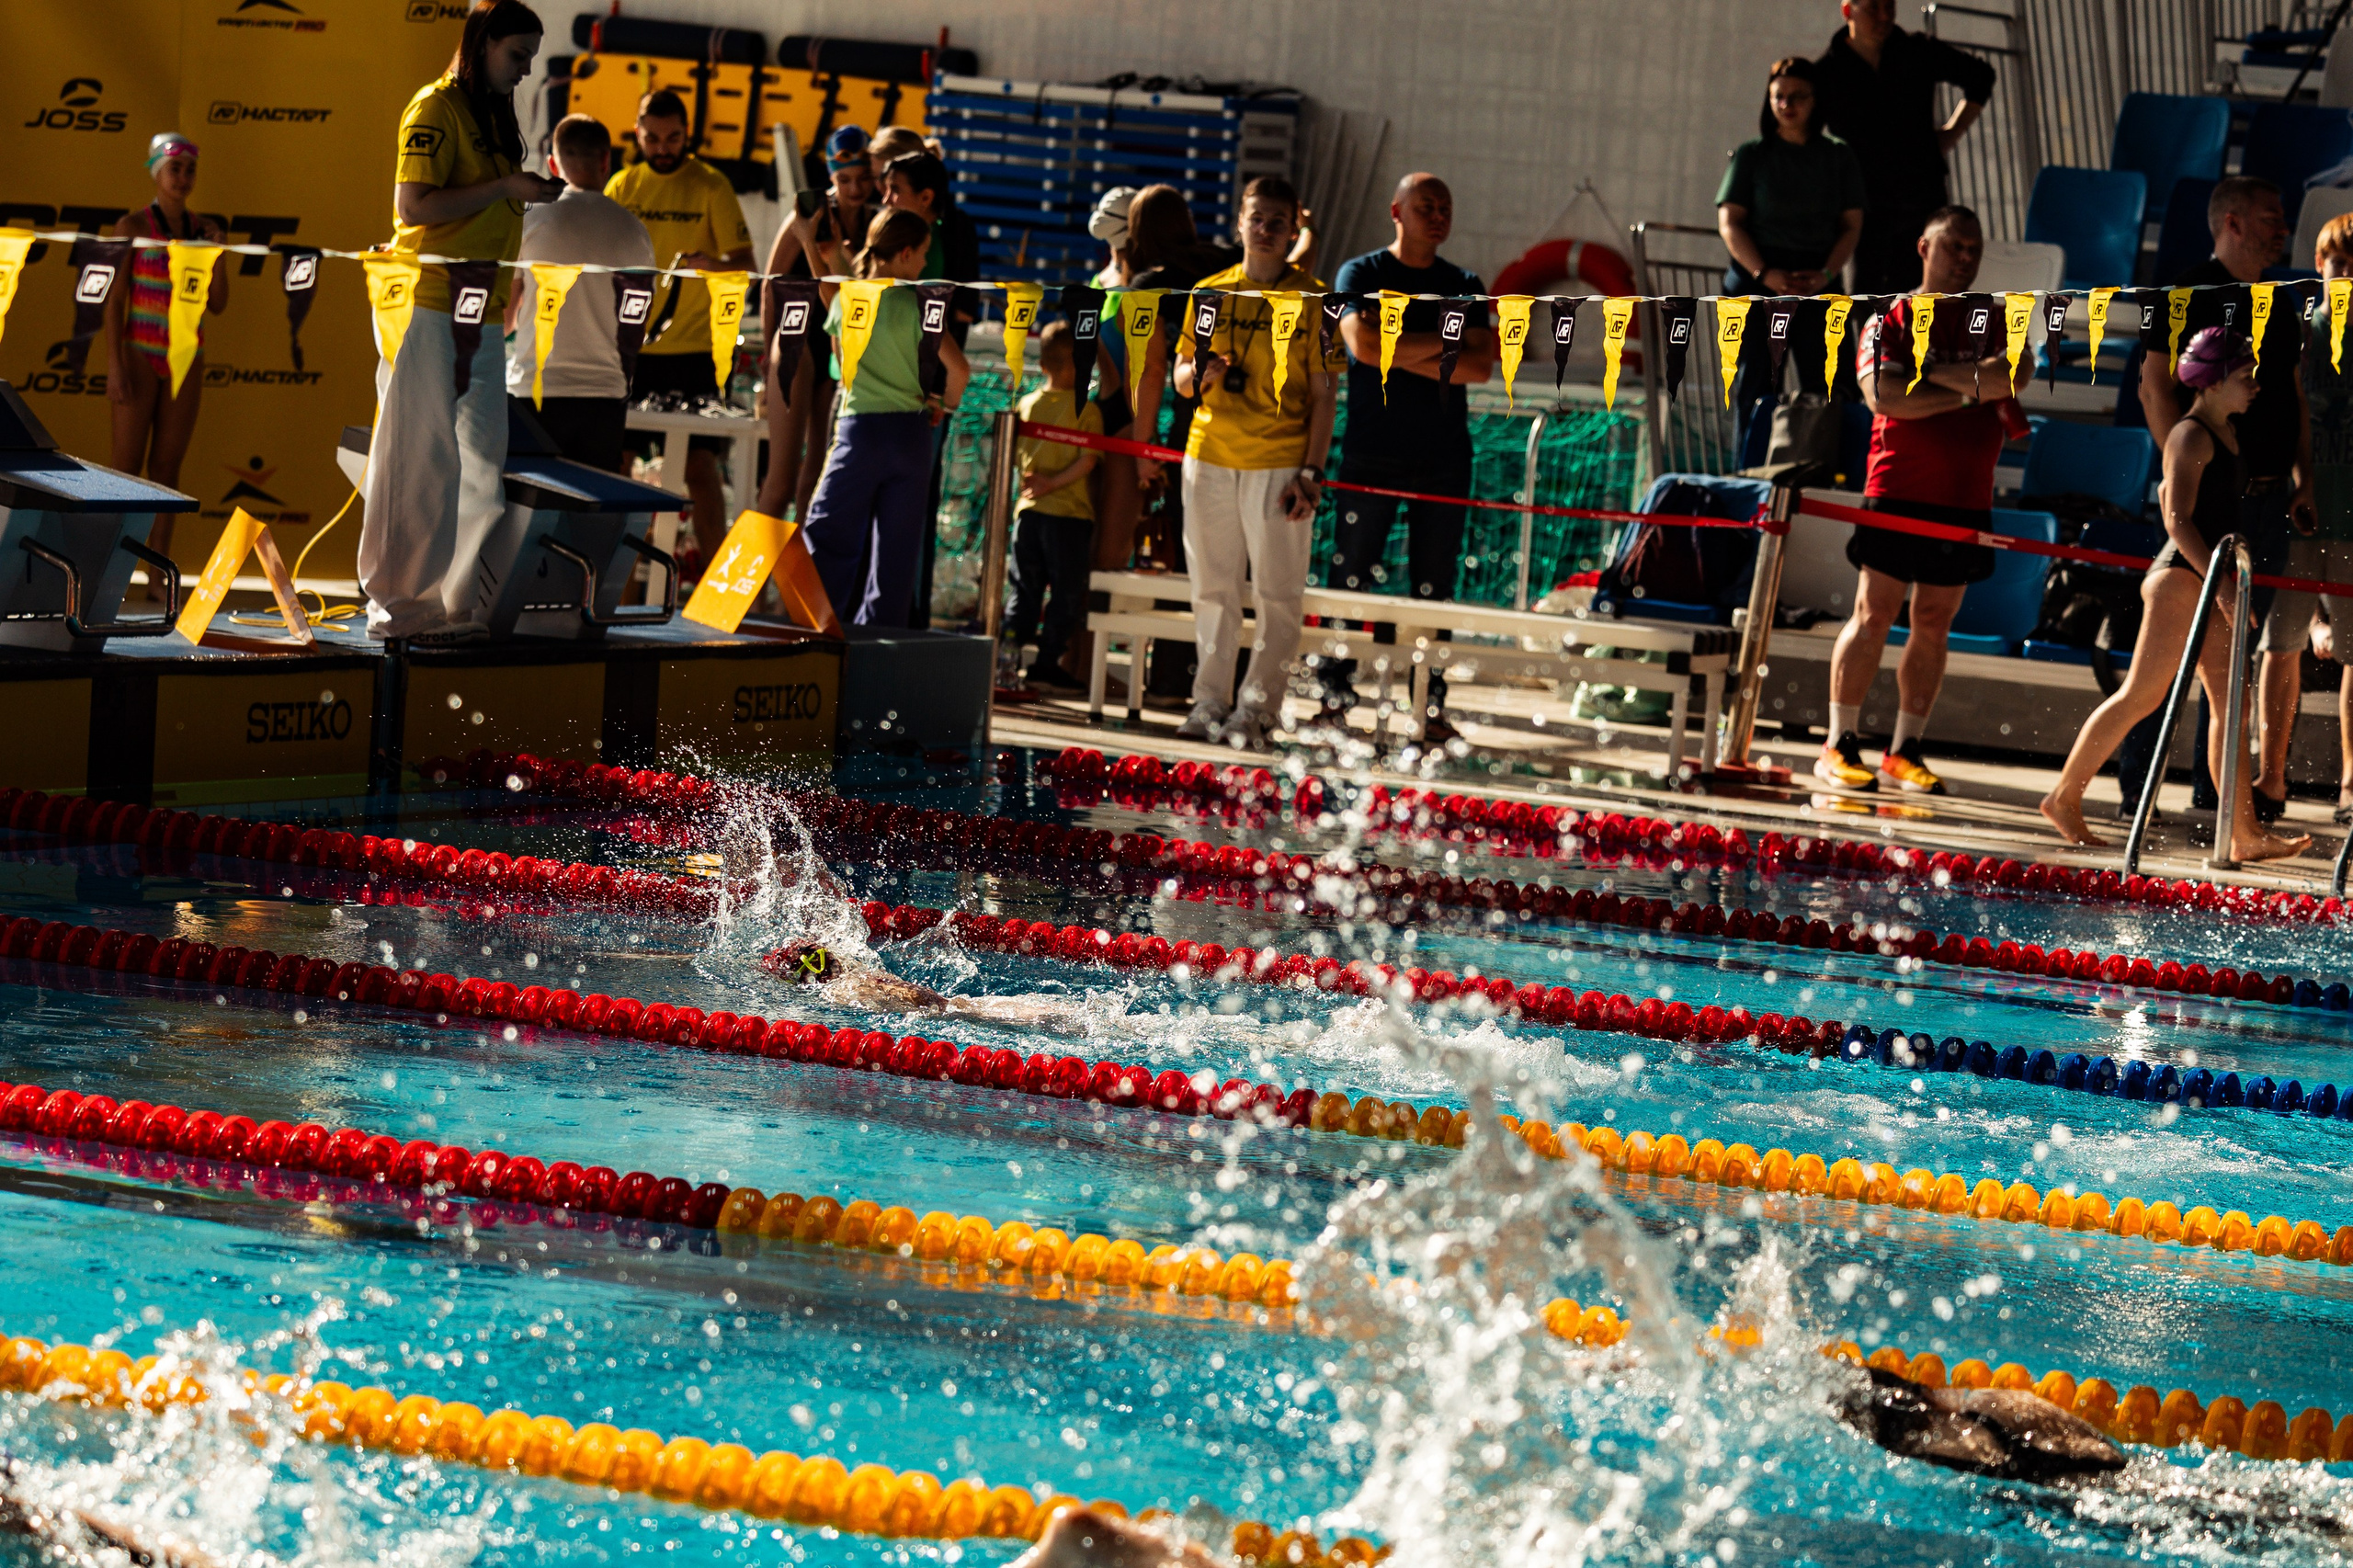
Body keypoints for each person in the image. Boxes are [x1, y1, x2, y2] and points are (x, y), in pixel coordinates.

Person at [2039, 329, 2310, 862]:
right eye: (2243, 375)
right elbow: (2177, 518)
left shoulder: (2223, 432)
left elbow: (2207, 513)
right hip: (2182, 581)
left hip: (2206, 579)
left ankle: (2243, 831)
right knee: (2143, 694)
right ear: (2209, 380)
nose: (2254, 384)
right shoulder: (2191, 436)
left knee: (2231, 705)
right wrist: (2224, 584)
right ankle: (2064, 796)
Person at [364, 0, 563, 641]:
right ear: (482, 44)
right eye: (517, 56)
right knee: (420, 459)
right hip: (426, 299)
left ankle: (453, 603)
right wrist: (507, 189)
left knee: (482, 460)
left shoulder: (494, 119)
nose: (525, 71)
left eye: (532, 59)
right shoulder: (434, 107)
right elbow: (415, 206)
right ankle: (399, 605)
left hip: (481, 306)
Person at [1816, 205, 2029, 795]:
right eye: (1953, 246)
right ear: (1923, 247)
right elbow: (1885, 398)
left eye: (1973, 249)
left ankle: (1905, 747)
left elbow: (2014, 376)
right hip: (1898, 487)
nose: (1964, 258)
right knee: (1874, 611)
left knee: (1934, 622)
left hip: (1965, 495)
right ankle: (1839, 741)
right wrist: (1971, 391)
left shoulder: (1995, 316)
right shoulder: (1890, 317)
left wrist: (1928, 375)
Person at [1170, 176, 1346, 751]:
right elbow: (1179, 380)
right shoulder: (1210, 293)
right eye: (1257, 219)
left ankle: (1257, 710)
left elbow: (1325, 395)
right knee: (1213, 590)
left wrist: (1311, 474)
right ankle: (1209, 701)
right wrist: (1201, 375)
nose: (1266, 230)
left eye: (1278, 222)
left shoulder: (1314, 299)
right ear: (1239, 224)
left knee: (1276, 594)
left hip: (1278, 463)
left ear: (1295, 230)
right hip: (1209, 457)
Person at [1322, 173, 1495, 744]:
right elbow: (1361, 348)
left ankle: (1428, 707)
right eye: (1426, 206)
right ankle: (1334, 697)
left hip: (1443, 457)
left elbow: (1478, 367)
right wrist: (1438, 350)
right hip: (1372, 453)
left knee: (1434, 590)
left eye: (1445, 207)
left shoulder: (1464, 283)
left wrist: (1391, 352)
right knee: (1349, 579)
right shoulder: (1361, 275)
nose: (1438, 215)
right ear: (1397, 211)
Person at [799, 210, 970, 625]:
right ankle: (879, 652)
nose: (927, 265)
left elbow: (841, 349)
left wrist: (812, 246)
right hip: (910, 437)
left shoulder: (849, 299)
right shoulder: (920, 305)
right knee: (895, 557)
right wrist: (943, 404)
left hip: (859, 433)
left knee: (829, 539)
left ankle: (815, 635)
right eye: (924, 255)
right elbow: (961, 372)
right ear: (906, 253)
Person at [605, 87, 754, 566]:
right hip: (630, 352)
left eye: (673, 138)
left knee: (701, 469)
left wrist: (712, 265)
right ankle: (609, 580)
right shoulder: (622, 186)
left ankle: (716, 590)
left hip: (696, 354)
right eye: (653, 138)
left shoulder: (712, 185)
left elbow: (746, 263)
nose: (664, 149)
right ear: (637, 134)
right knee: (617, 467)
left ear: (688, 135)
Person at [1716, 56, 1867, 464]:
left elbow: (1851, 225)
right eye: (1779, 97)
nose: (1787, 105)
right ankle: (1749, 476)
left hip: (1818, 279)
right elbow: (1730, 222)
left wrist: (1825, 274)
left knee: (1832, 383)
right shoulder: (1753, 155)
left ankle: (1830, 476)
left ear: (1815, 101)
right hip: (1759, 282)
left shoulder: (1838, 156)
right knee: (1756, 388)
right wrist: (1766, 274)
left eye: (1797, 96)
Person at [107, 132, 227, 597]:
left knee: (167, 468)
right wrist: (115, 365)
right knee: (123, 469)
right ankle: (110, 568)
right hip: (139, 351)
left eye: (190, 169)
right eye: (174, 168)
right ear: (156, 171)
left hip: (185, 357)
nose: (183, 178)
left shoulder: (205, 229)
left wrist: (218, 256)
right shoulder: (133, 225)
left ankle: (156, 574)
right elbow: (116, 300)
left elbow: (217, 304)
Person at [503, 114, 654, 472]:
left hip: (534, 391)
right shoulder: (635, 232)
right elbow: (636, 328)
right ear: (606, 162)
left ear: (553, 164)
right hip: (603, 397)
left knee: (527, 511)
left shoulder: (531, 221)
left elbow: (505, 319)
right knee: (587, 519)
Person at [1813, 0, 1995, 294]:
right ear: (1849, 11)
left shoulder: (1917, 50)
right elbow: (1808, 137)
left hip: (1921, 193)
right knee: (1869, 294)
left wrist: (1952, 132)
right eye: (1873, 8)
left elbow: (1981, 76)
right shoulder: (1826, 72)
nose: (1885, 16)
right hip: (1866, 203)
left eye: (1890, 6)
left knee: (1926, 289)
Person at [878, 148, 982, 625]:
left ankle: (907, 615)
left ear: (925, 198)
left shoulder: (937, 244)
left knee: (912, 512)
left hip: (923, 398)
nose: (885, 198)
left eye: (894, 190)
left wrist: (942, 394)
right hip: (894, 397)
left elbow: (952, 322)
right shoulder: (898, 242)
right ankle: (884, 613)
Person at [754, 124, 877, 520]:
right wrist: (767, 348)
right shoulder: (810, 215)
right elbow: (770, 284)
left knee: (816, 477)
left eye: (862, 179)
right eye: (845, 180)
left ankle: (801, 577)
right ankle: (753, 581)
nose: (855, 189)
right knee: (781, 482)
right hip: (796, 342)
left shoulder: (874, 225)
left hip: (834, 348)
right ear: (831, 177)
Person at [1008, 321, 1104, 689]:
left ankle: (1009, 659)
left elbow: (1018, 460)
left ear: (1043, 364)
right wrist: (1053, 484)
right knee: (1064, 594)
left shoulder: (1027, 405)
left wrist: (1037, 484)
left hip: (1029, 515)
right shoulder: (1087, 410)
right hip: (1068, 517)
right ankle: (1047, 662)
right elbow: (1088, 461)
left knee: (1024, 590)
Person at [762, 939, 1104, 1036]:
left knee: (1007, 1018)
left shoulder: (840, 991)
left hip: (945, 1011)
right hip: (952, 1005)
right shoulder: (854, 974)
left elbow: (913, 998)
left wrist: (935, 1007)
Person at [2299, 214, 2353, 823]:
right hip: (2303, 515)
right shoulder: (2298, 336)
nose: (2348, 276)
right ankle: (2265, 781)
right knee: (2281, 649)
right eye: (2338, 264)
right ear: (2320, 267)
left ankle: (2349, 788)